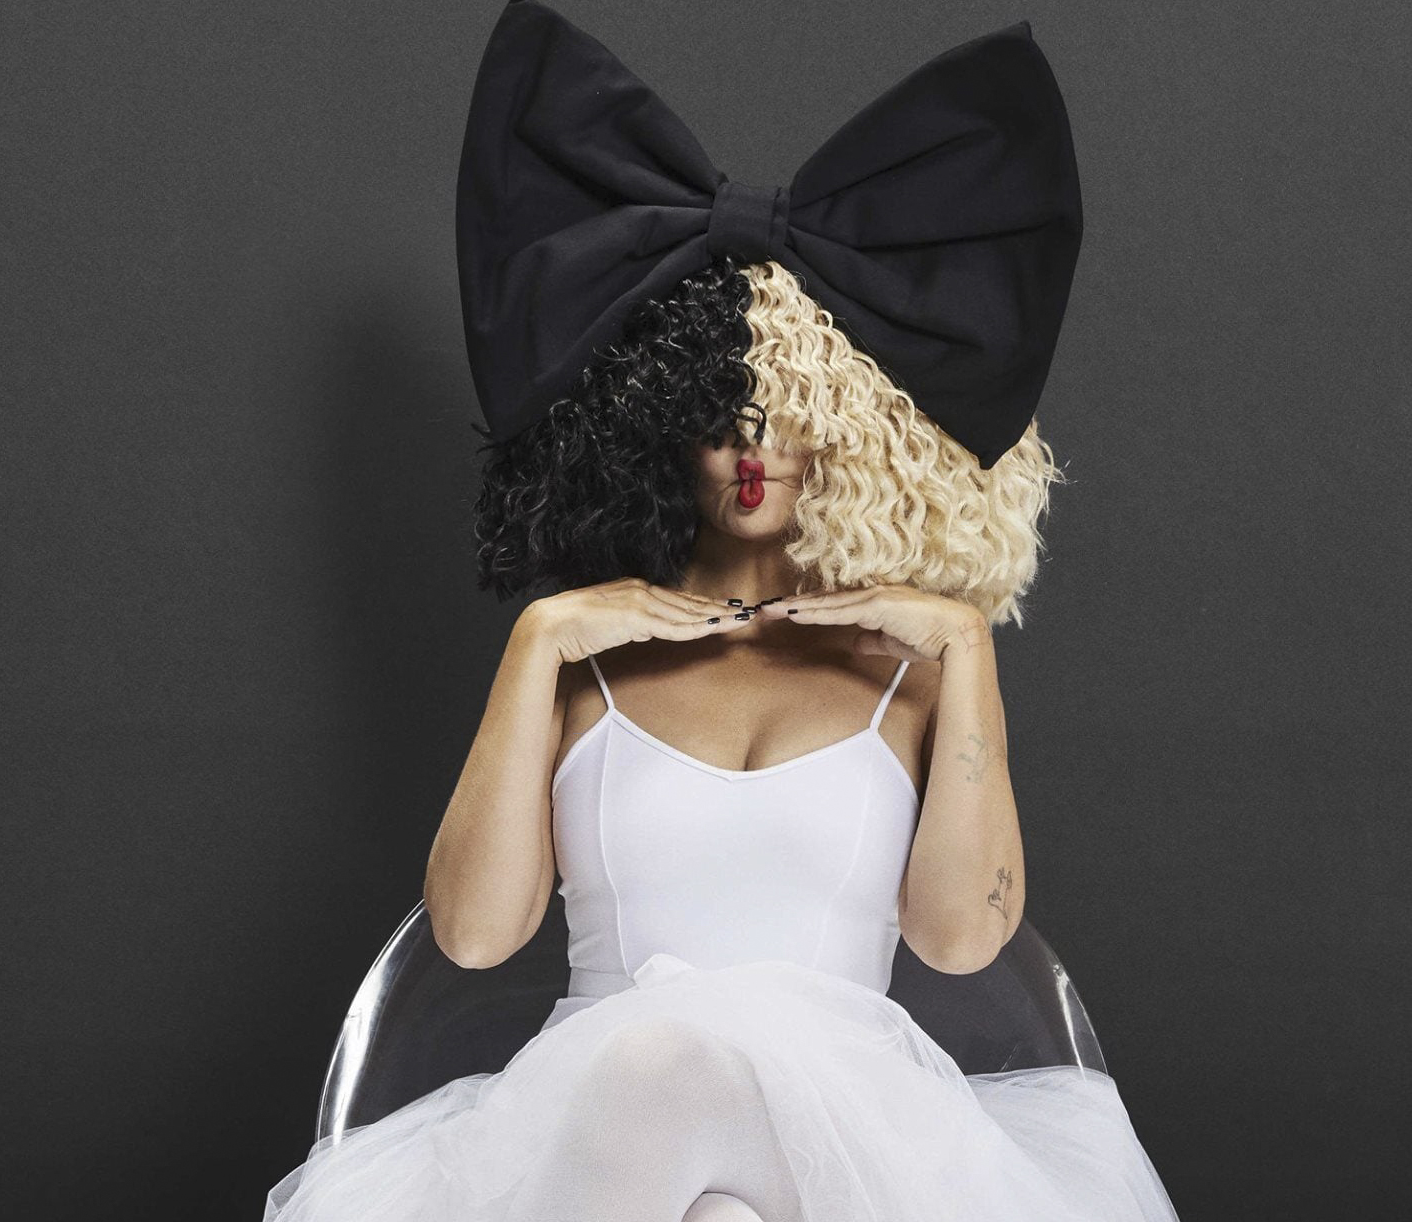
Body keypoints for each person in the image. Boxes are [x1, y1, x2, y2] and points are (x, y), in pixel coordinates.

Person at [262, 3, 1180, 1218]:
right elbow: (474, 937)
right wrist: (537, 641)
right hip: (607, 1125)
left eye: (789, 419)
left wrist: (964, 647)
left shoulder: (904, 675)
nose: (754, 453)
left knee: (680, 1082)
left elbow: (961, 941)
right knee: (691, 1153)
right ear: (651, 427)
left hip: (847, 1143)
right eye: (718, 418)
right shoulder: (581, 669)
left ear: (848, 434)